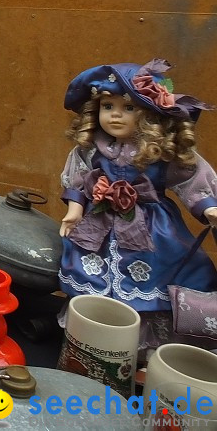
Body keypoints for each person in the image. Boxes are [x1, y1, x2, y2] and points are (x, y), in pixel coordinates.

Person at [58, 58, 217, 353]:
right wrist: (75, 208)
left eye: (128, 108)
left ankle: (144, 349)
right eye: (108, 107)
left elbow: (191, 176)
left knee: (155, 276)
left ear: (149, 115)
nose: (115, 116)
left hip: (152, 225)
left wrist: (207, 207)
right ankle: (95, 339)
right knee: (93, 272)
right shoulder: (94, 147)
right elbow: (79, 177)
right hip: (101, 221)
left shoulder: (158, 150)